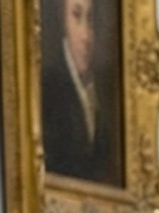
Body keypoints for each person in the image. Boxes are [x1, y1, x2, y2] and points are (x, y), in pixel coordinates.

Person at [39, 0, 119, 185]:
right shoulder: (49, 88)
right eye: (76, 16)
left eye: (90, 20)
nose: (86, 36)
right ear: (63, 22)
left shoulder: (104, 88)